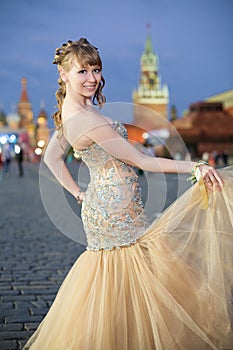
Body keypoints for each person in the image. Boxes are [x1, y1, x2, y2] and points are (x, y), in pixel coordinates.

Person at [24, 38, 233, 350]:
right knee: (133, 274)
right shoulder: (83, 118)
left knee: (122, 278)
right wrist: (196, 165)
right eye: (83, 71)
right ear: (64, 75)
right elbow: (140, 161)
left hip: (110, 206)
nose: (92, 78)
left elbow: (53, 159)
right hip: (115, 212)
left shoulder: (74, 112)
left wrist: (79, 194)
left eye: (96, 69)